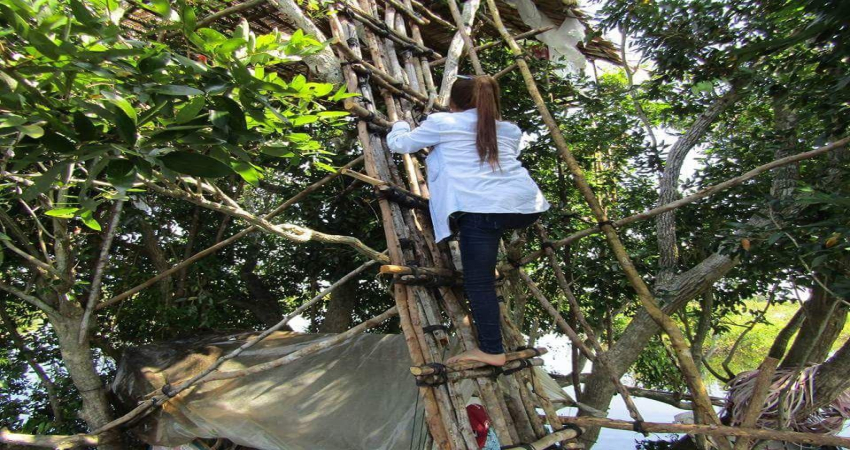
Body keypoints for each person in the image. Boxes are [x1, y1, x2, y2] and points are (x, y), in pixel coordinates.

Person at [386, 74, 550, 366]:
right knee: (484, 261)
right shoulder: (510, 130)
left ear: (453, 101)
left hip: (481, 209)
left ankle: (491, 351)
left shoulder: (442, 123)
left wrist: (398, 123)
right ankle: (492, 347)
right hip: (524, 206)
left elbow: (400, 145)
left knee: (479, 282)